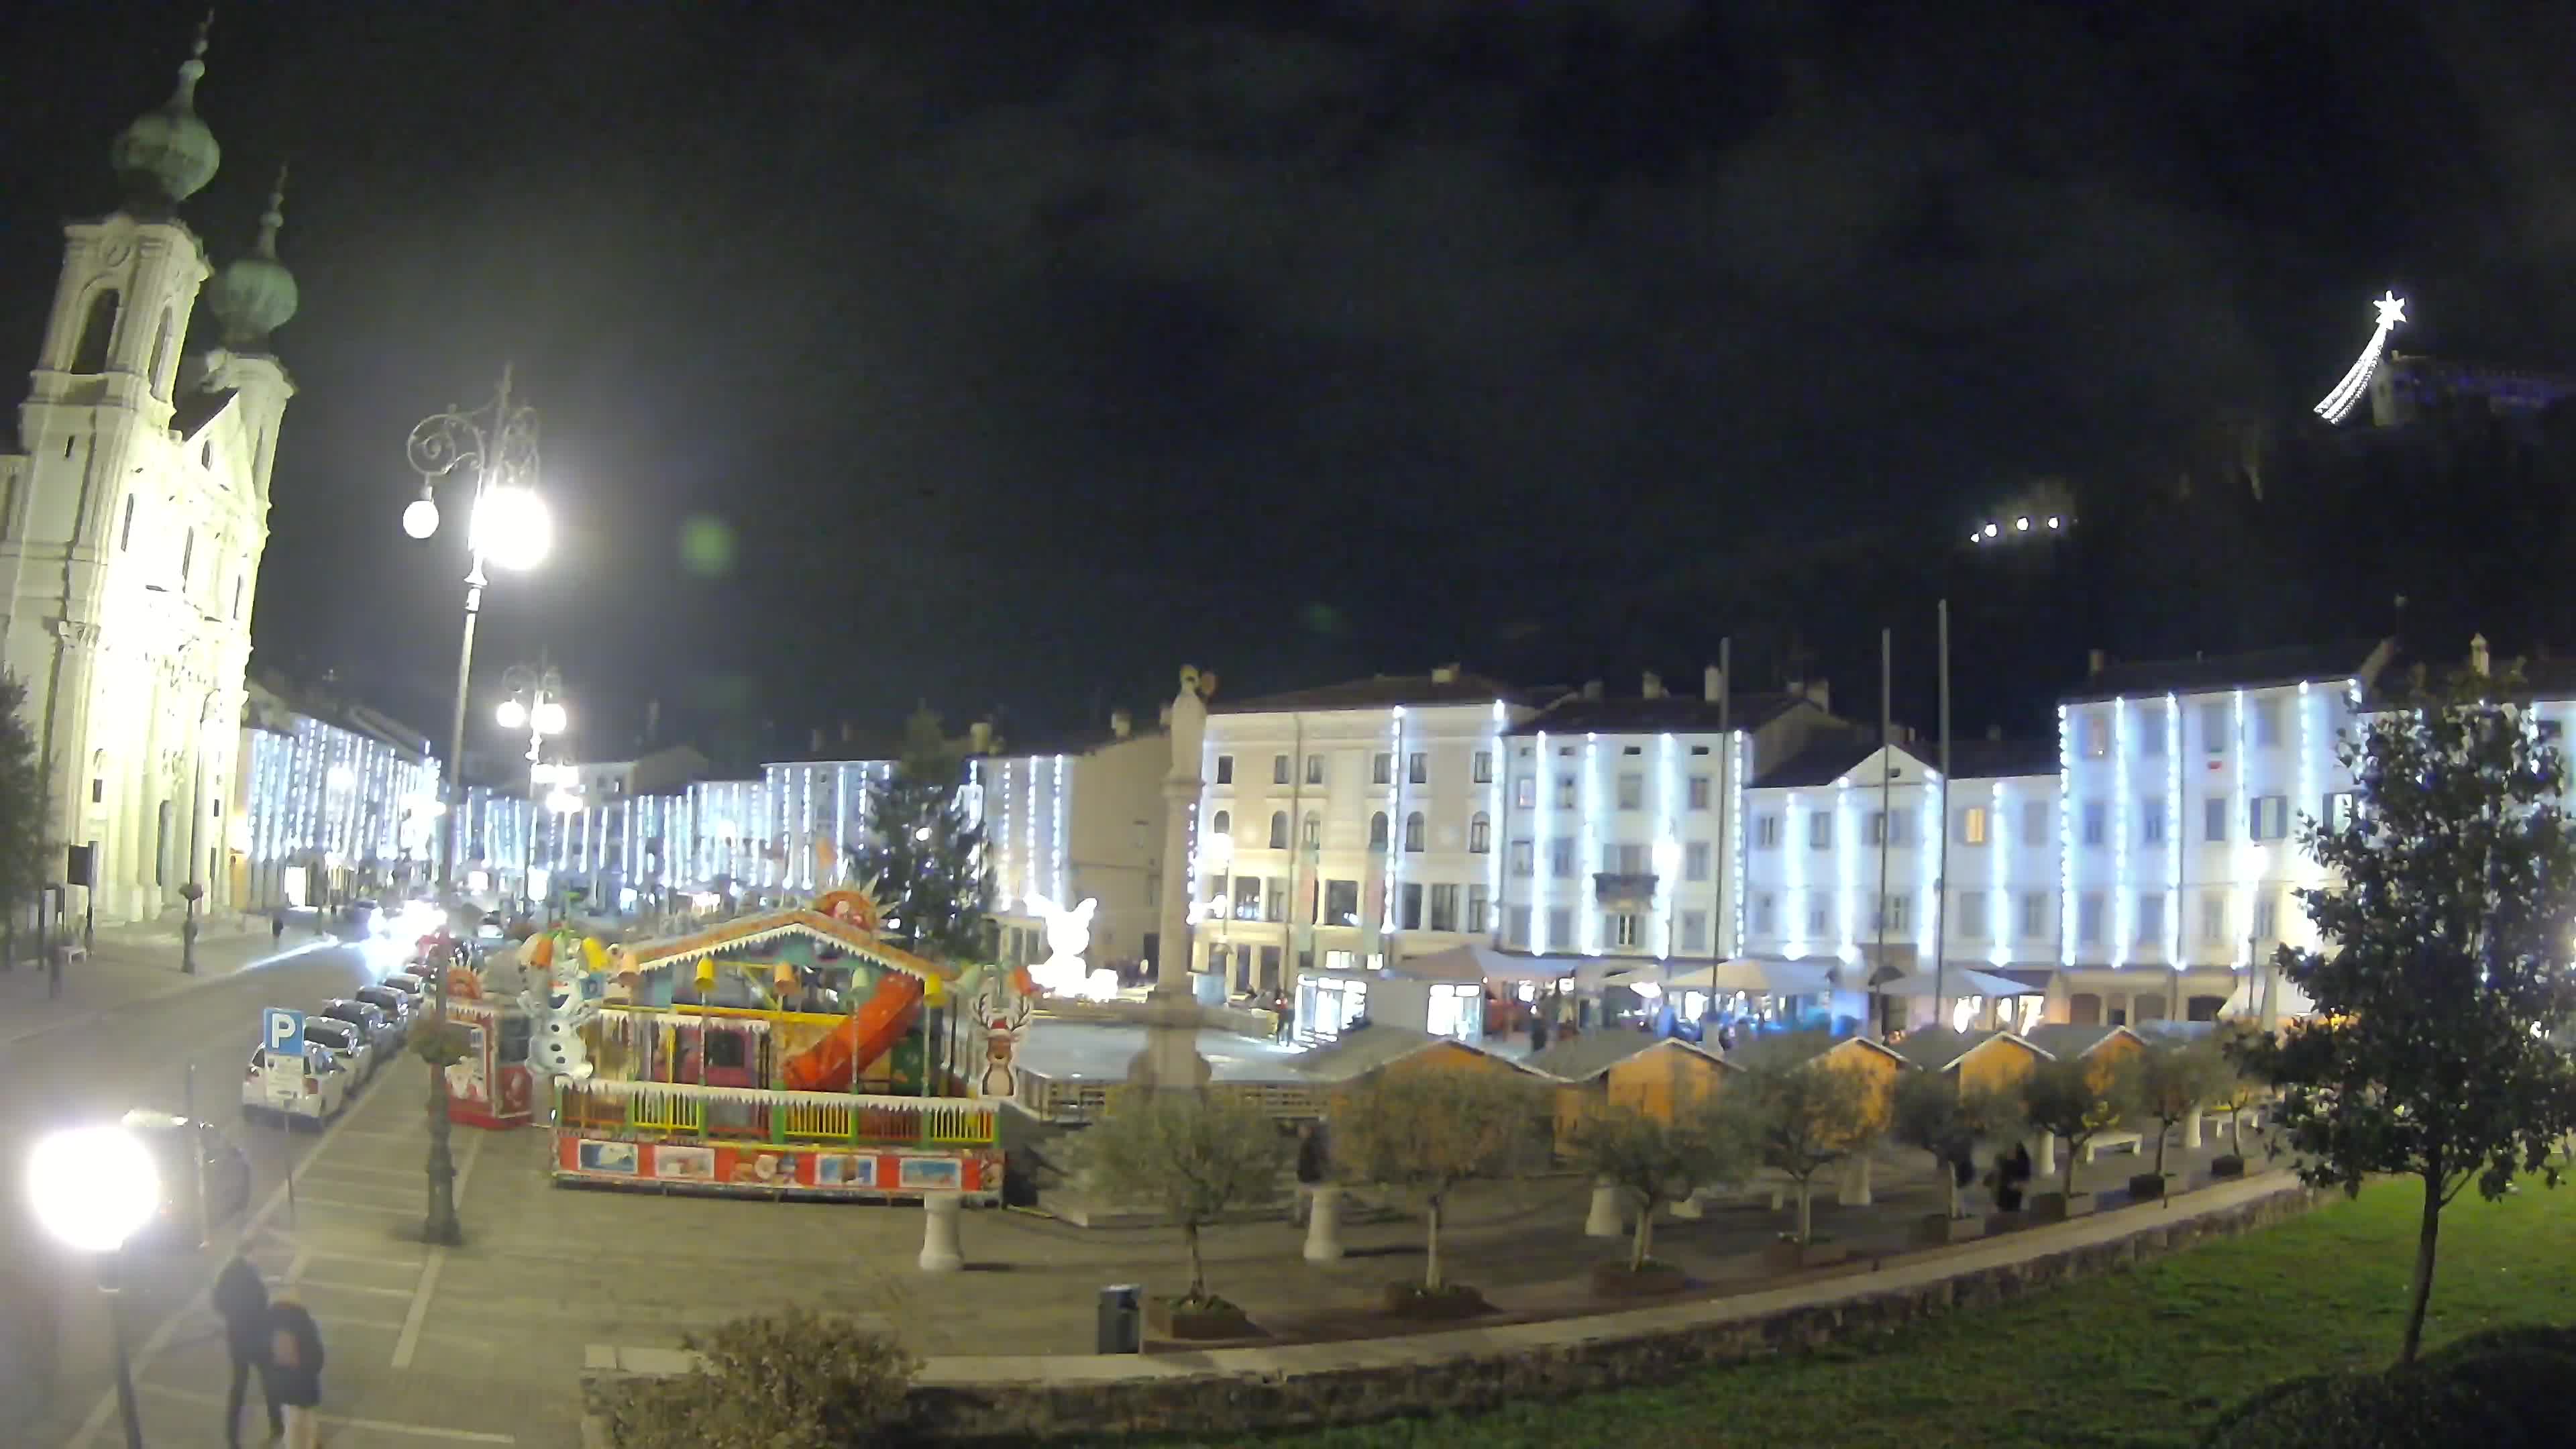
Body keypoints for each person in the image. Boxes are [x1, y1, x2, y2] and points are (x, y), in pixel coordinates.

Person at [213, 1254, 280, 1449]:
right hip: (257, 1336)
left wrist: (232, 1317)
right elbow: (262, 1302)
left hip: (237, 1338)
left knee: (239, 1387)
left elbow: (217, 1303)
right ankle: (277, 1424)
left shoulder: (227, 1275)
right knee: (269, 1381)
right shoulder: (251, 1277)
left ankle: (232, 1435)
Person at [265, 1294, 325, 1449]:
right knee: (305, 1422)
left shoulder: (270, 1324)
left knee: (292, 1422)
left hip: (284, 1387)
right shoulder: (304, 1325)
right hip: (304, 1386)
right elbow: (317, 1357)